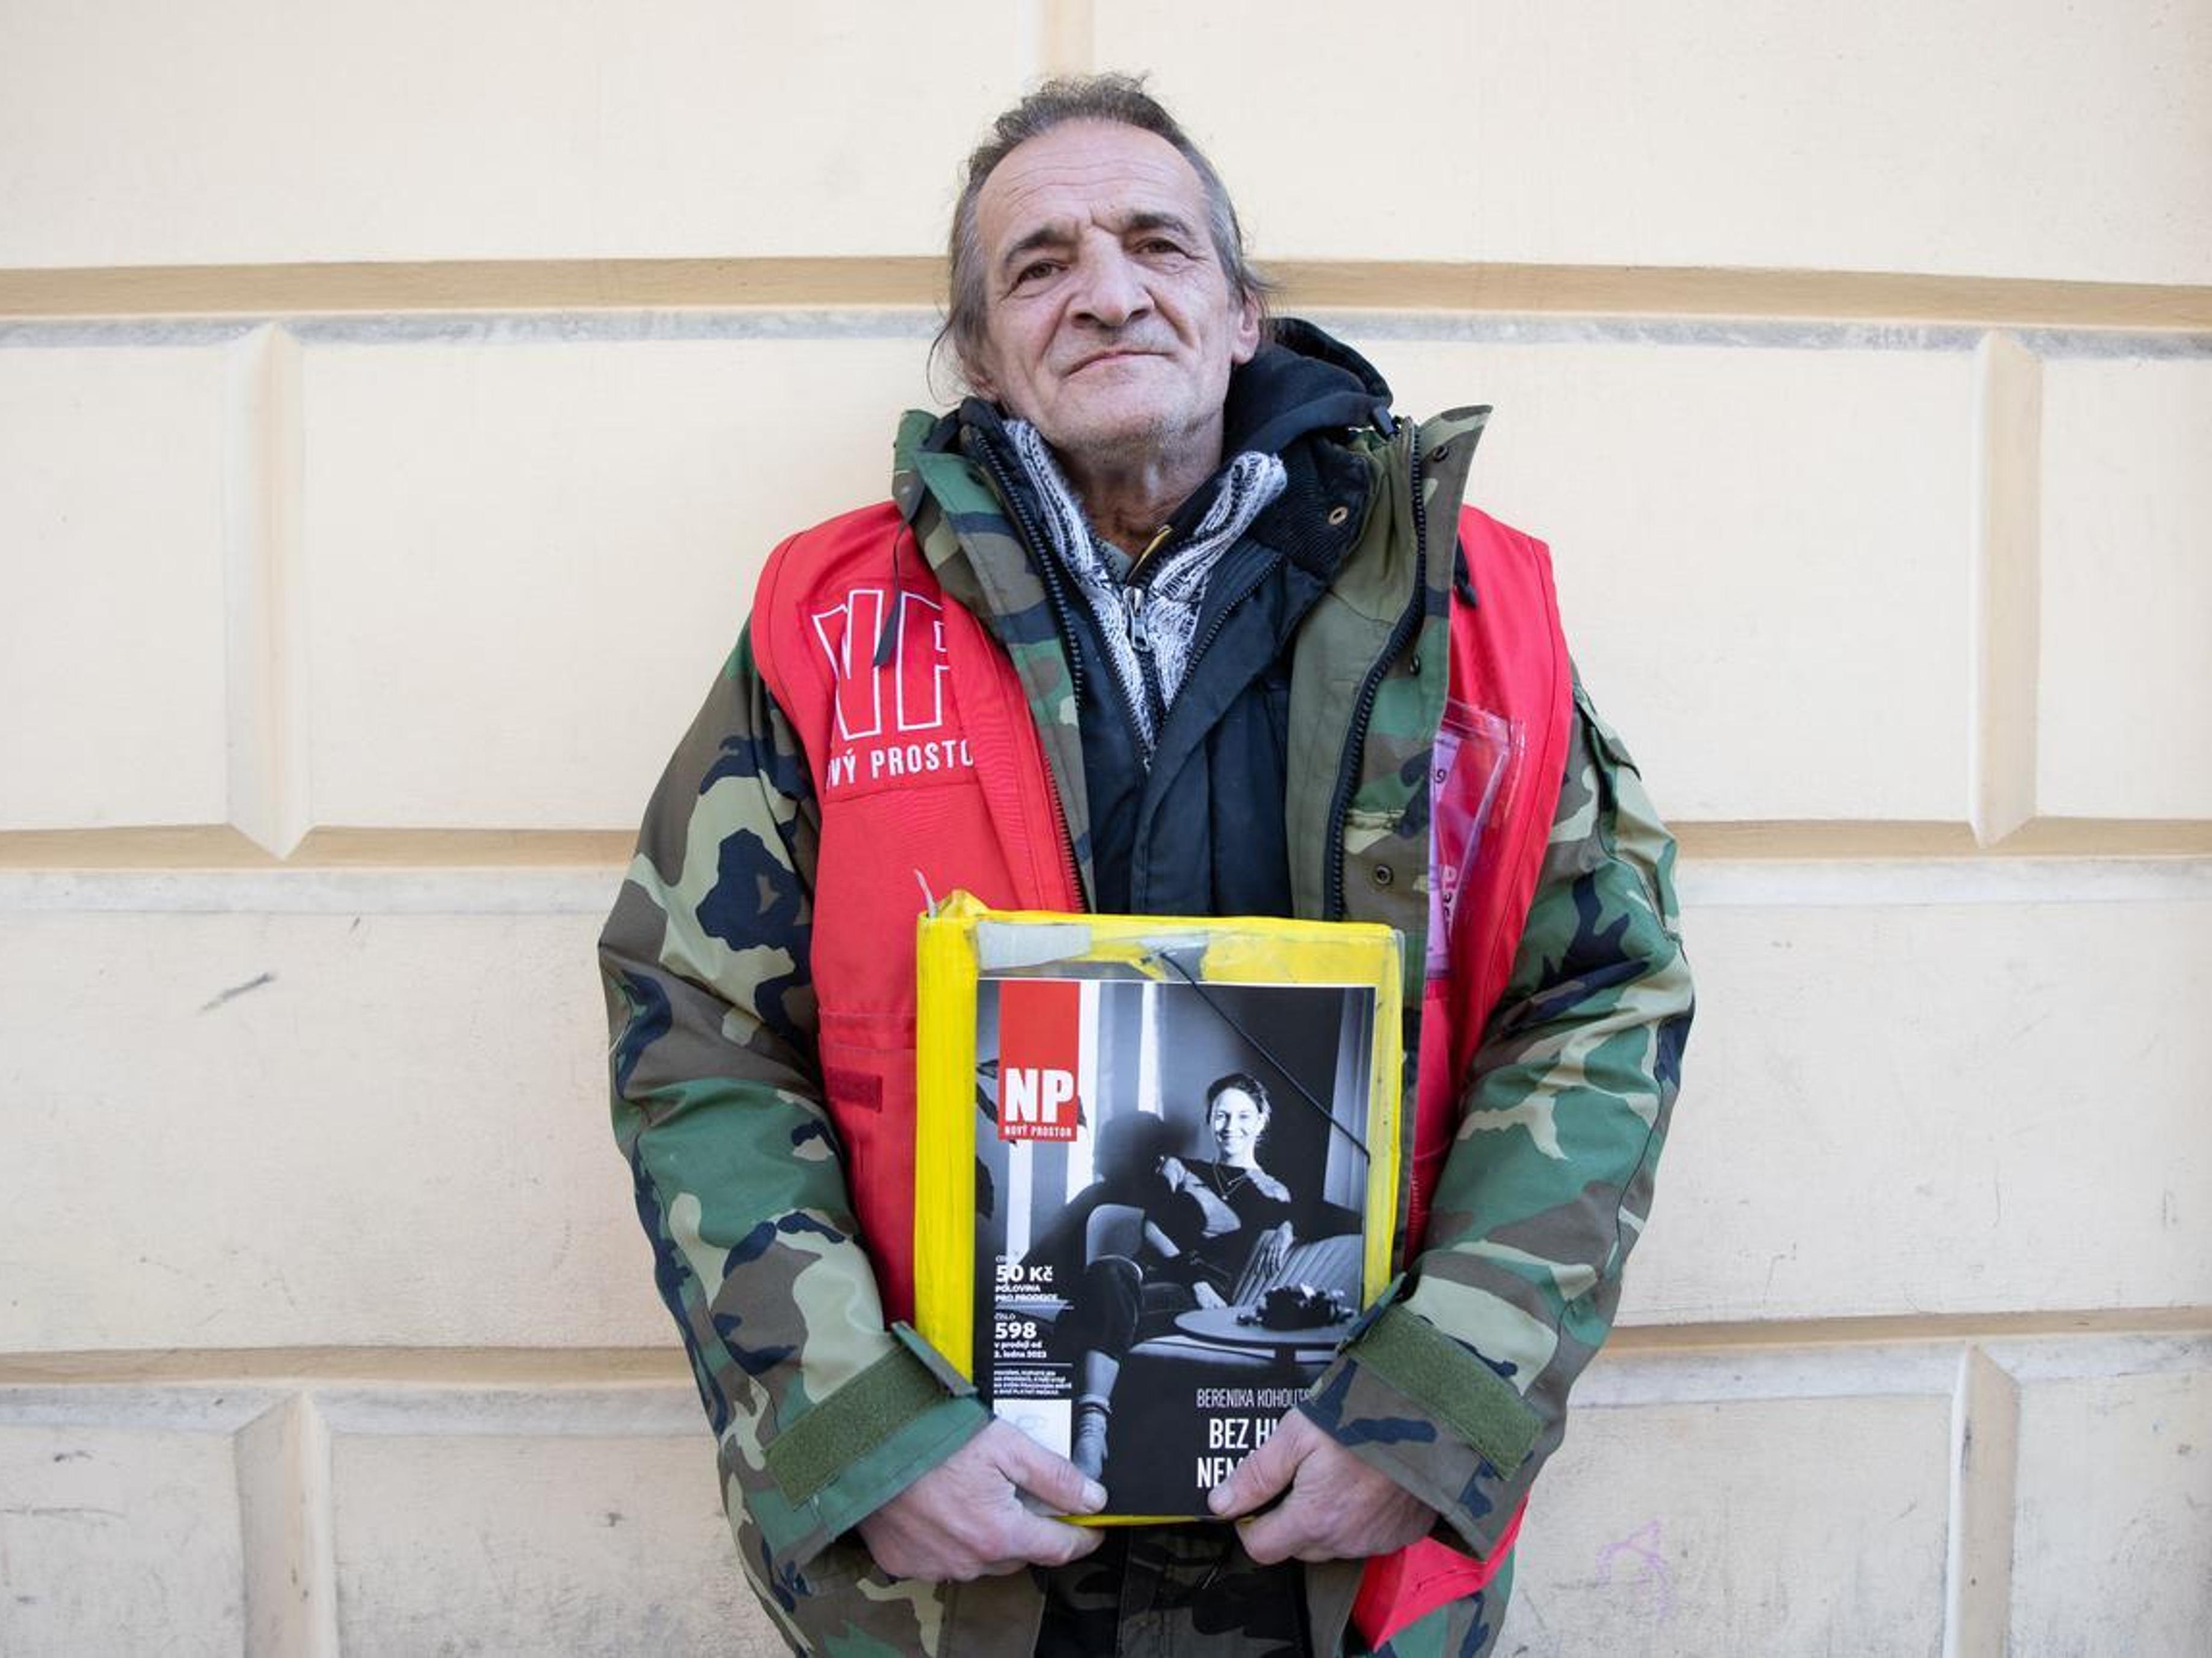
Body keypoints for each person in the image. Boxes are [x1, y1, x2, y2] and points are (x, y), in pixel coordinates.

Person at [600, 73, 1693, 1658]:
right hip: (953, 1572)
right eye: (1038, 264)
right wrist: (855, 1432)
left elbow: (1600, 1003)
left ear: (1242, 311)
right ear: (981, 350)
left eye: (1157, 244)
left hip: (1339, 1562)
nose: (1107, 289)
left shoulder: (1469, 616)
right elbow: (692, 1027)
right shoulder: (831, 627)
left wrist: (1432, 1411)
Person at [1057, 1075, 1297, 1482]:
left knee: (1091, 1311)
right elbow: (1153, 1227)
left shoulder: (1276, 1193)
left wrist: (1290, 1227)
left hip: (1198, 1301)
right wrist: (1195, 1280)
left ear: (1261, 1121)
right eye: (1221, 1115)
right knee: (1109, 1270)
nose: (1230, 1126)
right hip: (1149, 1275)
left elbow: (1339, 1215)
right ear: (1209, 1119)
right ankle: (1092, 1430)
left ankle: (1092, 1430)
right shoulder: (1181, 1167)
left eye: (1242, 1116)